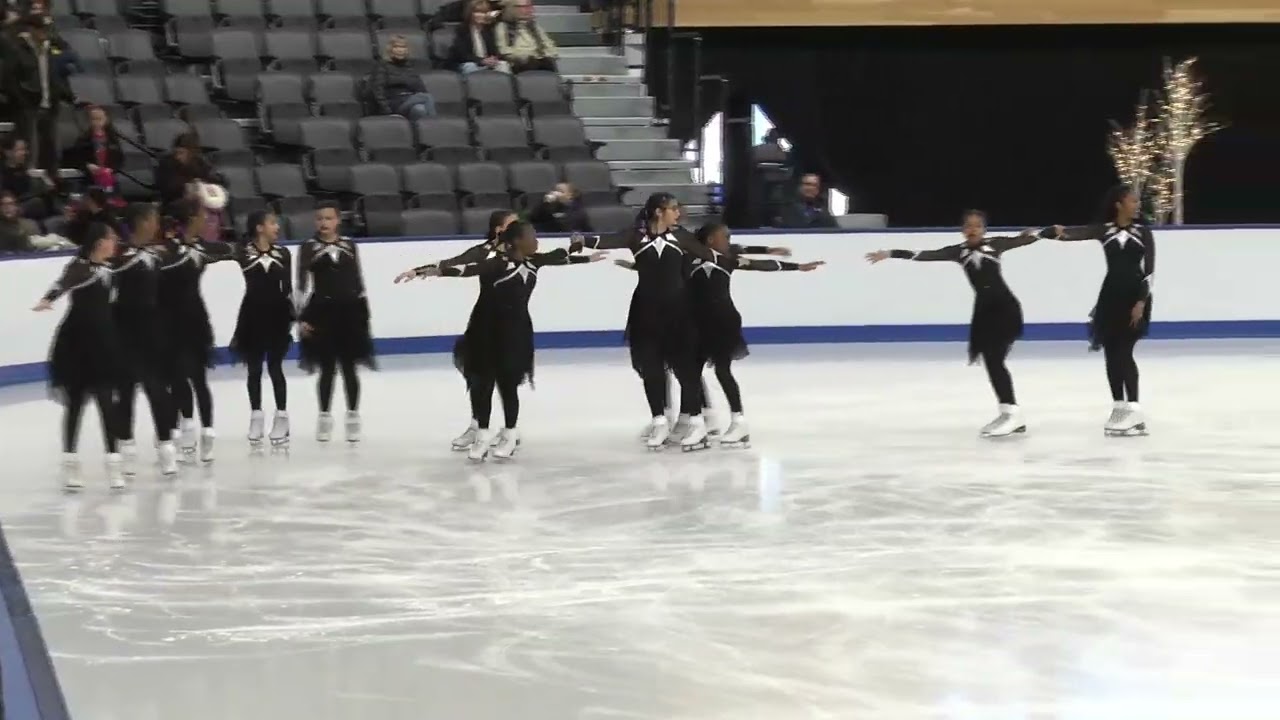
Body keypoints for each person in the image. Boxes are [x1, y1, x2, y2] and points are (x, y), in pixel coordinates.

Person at [617, 222, 822, 446]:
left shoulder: (728, 257)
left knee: (723, 370)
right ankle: (696, 423)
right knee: (690, 374)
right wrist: (636, 267)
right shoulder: (688, 258)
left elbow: (758, 263)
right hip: (696, 323)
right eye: (725, 236)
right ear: (710, 240)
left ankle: (738, 421)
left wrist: (796, 266)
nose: (729, 241)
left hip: (723, 322)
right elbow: (662, 268)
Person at [417, 222, 604, 460]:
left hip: (515, 331)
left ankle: (510, 432)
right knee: (482, 382)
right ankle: (483, 432)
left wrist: (583, 253)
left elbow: (560, 256)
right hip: (485, 330)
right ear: (517, 241)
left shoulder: (534, 261)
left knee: (508, 384)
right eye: (532, 237)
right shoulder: (497, 263)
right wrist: (431, 270)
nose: (536, 241)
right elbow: (467, 269)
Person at [866, 211, 1050, 437]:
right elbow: (925, 255)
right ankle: (1010, 413)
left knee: (995, 360)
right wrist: (891, 253)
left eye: (978, 226)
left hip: (1005, 309)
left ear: (984, 229)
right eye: (969, 226)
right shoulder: (958, 251)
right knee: (993, 361)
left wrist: (1038, 233)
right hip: (984, 313)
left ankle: (1011, 413)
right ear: (963, 230)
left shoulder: (996, 244)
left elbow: (1026, 239)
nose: (973, 230)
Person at [582, 193, 720, 451]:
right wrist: (582, 240)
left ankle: (697, 421)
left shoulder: (681, 237)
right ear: (659, 212)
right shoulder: (636, 235)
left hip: (679, 310)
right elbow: (607, 240)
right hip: (645, 310)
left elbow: (713, 256)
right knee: (651, 366)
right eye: (673, 209)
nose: (678, 214)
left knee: (685, 368)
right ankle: (659, 420)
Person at [394, 209, 518, 451]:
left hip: (511, 322)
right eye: (513, 225)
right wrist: (419, 270)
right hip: (484, 320)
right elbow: (452, 265)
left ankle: (510, 430)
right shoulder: (482, 252)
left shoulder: (523, 253)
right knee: (478, 375)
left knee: (506, 378)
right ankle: (477, 426)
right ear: (498, 230)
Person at [1049, 184, 1154, 437]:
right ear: (1119, 204)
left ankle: (1135, 408)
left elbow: (1149, 272)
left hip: (1134, 298)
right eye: (1132, 201)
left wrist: (1141, 302)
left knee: (1125, 352)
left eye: (1137, 201)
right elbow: (1073, 234)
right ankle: (1118, 406)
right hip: (1110, 298)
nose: (1137, 205)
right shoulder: (1104, 230)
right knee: (1110, 352)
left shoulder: (1143, 232)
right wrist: (1053, 233)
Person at [32, 222, 127, 490]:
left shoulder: (110, 269)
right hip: (77, 345)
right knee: (75, 405)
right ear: (99, 242)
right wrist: (48, 298)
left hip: (105, 343)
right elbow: (62, 283)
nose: (115, 243)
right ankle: (71, 464)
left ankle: (114, 465)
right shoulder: (79, 267)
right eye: (112, 239)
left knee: (108, 405)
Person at [158, 197, 235, 461]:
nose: (208, 220)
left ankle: (208, 432)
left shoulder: (202, 248)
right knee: (178, 377)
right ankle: (186, 427)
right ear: (190, 220)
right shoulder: (166, 251)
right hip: (170, 320)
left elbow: (228, 250)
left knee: (199, 378)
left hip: (195, 319)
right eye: (203, 216)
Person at [110, 203, 179, 475]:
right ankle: (126, 445)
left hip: (153, 331)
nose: (157, 225)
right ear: (141, 222)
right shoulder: (119, 257)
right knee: (125, 392)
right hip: (124, 332)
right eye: (153, 220)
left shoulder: (157, 255)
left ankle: (166, 447)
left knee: (158, 391)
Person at [297, 202, 375, 443]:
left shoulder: (349, 246)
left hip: (350, 312)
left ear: (338, 220)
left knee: (350, 368)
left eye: (329, 218)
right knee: (327, 369)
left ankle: (352, 416)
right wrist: (301, 318)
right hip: (322, 312)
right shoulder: (309, 247)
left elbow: (358, 280)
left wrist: (364, 314)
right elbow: (301, 284)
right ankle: (324, 417)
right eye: (319, 218)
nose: (324, 223)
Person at [229, 210, 294, 448]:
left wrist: (293, 315)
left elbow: (287, 287)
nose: (277, 227)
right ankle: (256, 415)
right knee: (254, 369)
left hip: (277, 314)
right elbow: (215, 252)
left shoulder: (283, 253)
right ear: (259, 228)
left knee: (275, 367)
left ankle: (282, 417)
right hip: (252, 315)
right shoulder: (242, 251)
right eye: (272, 223)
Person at [1, 11, 72, 178]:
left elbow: (55, 75)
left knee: (52, 151)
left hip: (50, 105)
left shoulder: (51, 48)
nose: (45, 33)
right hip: (28, 107)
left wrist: (64, 93)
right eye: (42, 29)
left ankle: (53, 187)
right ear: (32, 29)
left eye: (47, 29)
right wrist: (22, 101)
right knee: (30, 151)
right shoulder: (18, 49)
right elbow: (8, 80)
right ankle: (29, 186)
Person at [155, 132, 224, 241]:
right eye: (176, 152)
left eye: (182, 153)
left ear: (191, 153)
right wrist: (187, 187)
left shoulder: (200, 164)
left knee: (215, 205)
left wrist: (201, 184)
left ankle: (210, 238)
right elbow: (165, 188)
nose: (178, 156)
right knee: (194, 206)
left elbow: (214, 180)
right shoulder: (166, 163)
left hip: (199, 199)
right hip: (174, 201)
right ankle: (188, 237)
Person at [64, 105, 125, 206]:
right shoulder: (84, 139)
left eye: (100, 119)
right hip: (90, 178)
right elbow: (77, 158)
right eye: (94, 119)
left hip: (109, 177)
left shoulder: (113, 138)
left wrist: (112, 169)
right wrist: (88, 166)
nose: (97, 122)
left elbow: (120, 158)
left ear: (106, 119)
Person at [371, 35, 436, 120]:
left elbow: (421, 88)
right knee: (427, 97)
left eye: (403, 47)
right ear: (390, 49)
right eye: (396, 47)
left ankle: (421, 131)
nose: (400, 50)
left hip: (411, 100)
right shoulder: (382, 66)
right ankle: (435, 125)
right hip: (394, 103)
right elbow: (377, 91)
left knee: (420, 110)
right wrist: (387, 111)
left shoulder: (410, 67)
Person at [495, 0, 558, 73]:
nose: (529, 10)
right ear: (511, 8)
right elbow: (504, 50)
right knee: (530, 63)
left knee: (547, 63)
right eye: (523, 7)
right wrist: (527, 55)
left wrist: (548, 54)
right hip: (520, 64)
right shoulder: (503, 27)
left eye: (529, 6)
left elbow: (548, 45)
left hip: (540, 61)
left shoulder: (535, 27)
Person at [450, 0, 509, 74]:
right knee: (470, 66)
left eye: (485, 13)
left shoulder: (489, 31)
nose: (482, 15)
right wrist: (481, 61)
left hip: (486, 63)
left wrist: (493, 58)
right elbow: (462, 55)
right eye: (478, 12)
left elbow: (494, 51)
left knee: (503, 65)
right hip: (467, 63)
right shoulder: (462, 30)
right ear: (470, 13)